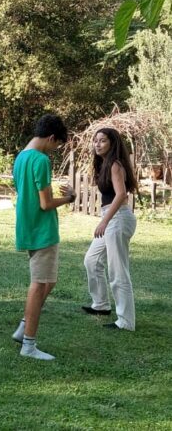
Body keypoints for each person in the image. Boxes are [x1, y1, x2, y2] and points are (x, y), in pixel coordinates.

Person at [11, 114, 75, 361]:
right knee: (39, 285)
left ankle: (23, 327)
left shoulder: (21, 157)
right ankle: (28, 344)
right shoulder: (40, 159)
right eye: (57, 144)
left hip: (27, 226)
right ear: (51, 138)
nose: (55, 149)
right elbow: (45, 203)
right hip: (42, 230)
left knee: (48, 281)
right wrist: (69, 198)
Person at [82, 128, 138, 331]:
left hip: (118, 219)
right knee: (91, 260)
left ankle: (126, 321)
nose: (97, 144)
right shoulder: (106, 164)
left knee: (118, 270)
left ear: (112, 144)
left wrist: (104, 221)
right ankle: (101, 305)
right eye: (95, 140)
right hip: (112, 218)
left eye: (102, 141)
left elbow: (121, 195)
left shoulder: (115, 164)